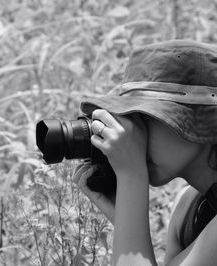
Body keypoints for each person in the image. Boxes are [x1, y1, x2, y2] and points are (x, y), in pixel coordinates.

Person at [73, 39, 217, 265]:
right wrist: (125, 214)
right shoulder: (189, 207)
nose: (132, 136)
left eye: (144, 119)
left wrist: (132, 176)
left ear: (200, 119)